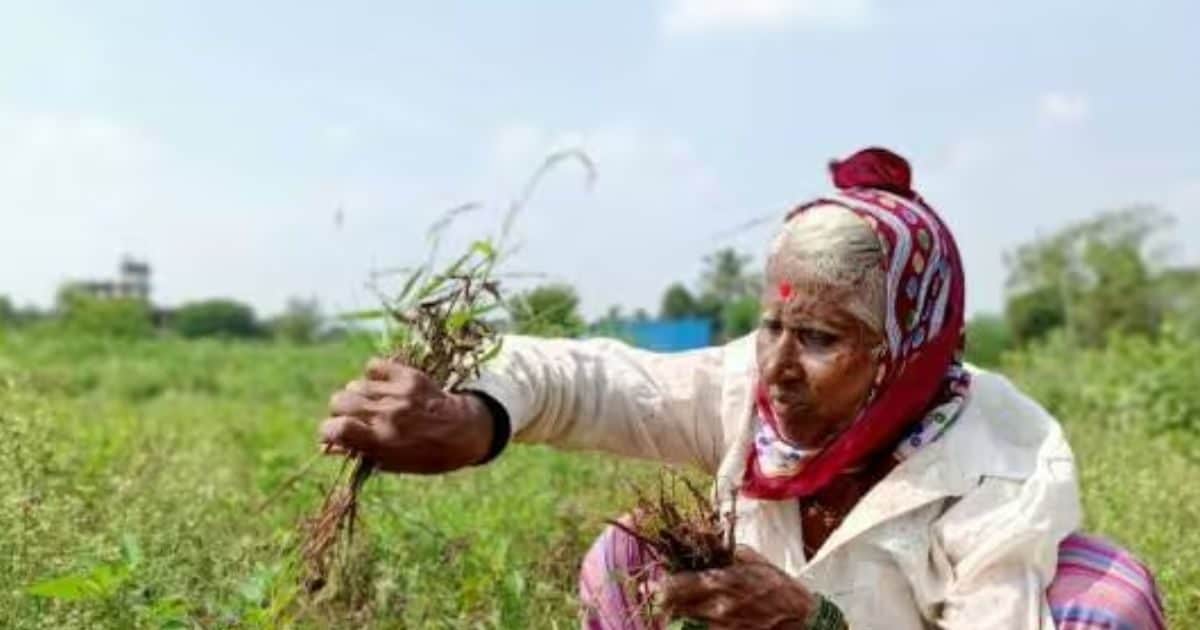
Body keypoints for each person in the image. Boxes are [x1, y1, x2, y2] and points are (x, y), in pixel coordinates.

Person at [319, 148, 1166, 629]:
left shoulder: (1000, 461)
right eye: (772, 327)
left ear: (907, 352)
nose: (776, 367)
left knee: (1105, 596)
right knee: (631, 554)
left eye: (823, 338)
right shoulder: (753, 391)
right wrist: (474, 417)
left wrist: (814, 623)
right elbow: (585, 379)